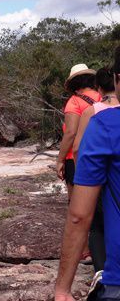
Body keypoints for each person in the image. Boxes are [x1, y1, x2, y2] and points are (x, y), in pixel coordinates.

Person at [55, 49, 120, 300]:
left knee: (90, 215)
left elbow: (78, 216)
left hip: (85, 161)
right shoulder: (98, 98)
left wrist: (61, 159)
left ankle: (94, 261)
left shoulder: (78, 105)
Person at [71, 67, 120, 274]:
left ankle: (101, 272)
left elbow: (77, 146)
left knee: (96, 224)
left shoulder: (91, 111)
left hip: (98, 175)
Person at [56, 64, 100, 201]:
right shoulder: (103, 97)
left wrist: (59, 160)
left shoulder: (74, 102)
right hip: (100, 154)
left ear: (73, 83)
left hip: (77, 158)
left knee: (76, 200)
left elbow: (70, 133)